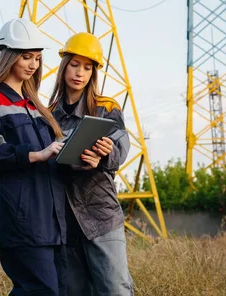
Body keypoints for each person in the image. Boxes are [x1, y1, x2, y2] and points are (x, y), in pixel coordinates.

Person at [0, 18, 68, 296]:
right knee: (41, 290)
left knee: (59, 290)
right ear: (8, 57)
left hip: (51, 219)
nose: (33, 64)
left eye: (37, 58)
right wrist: (36, 154)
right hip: (22, 219)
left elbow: (52, 153)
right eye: (26, 57)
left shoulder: (35, 104)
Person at [48, 32, 134, 296]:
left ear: (94, 73)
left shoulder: (106, 108)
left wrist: (103, 156)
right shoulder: (48, 115)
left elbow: (121, 143)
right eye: (75, 65)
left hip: (100, 214)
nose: (80, 73)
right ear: (64, 66)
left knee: (115, 289)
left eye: (87, 67)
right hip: (65, 220)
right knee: (76, 291)